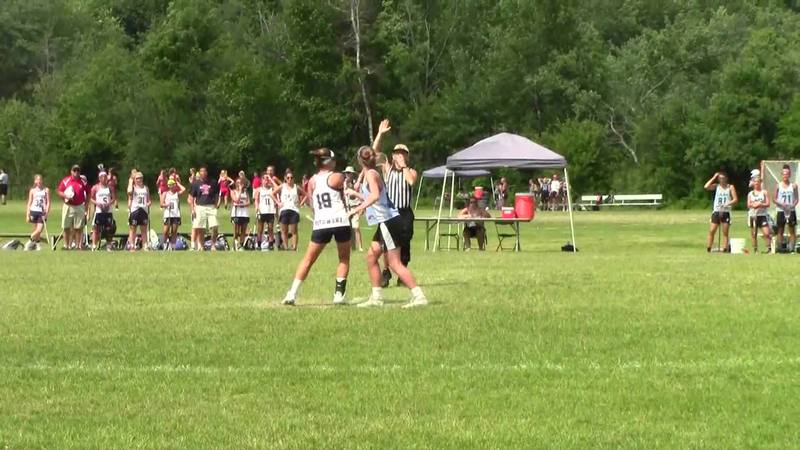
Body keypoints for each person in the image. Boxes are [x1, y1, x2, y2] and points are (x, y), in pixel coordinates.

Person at [348, 146, 428, 308]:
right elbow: (375, 197)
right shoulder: (373, 173)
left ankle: (419, 296)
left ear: (359, 161)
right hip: (387, 221)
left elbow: (375, 195)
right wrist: (357, 196)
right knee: (371, 257)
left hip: (389, 222)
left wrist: (356, 209)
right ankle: (377, 297)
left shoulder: (371, 174)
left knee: (394, 263)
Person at [282, 149, 351, 305]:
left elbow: (312, 204)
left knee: (308, 259)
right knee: (344, 258)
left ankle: (292, 293)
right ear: (329, 161)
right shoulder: (337, 177)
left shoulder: (312, 181)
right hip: (340, 220)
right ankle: (339, 295)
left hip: (321, 223)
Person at [57, 164, 90, 250]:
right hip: (68, 206)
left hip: (79, 206)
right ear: (71, 171)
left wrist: (86, 205)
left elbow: (88, 193)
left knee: (78, 227)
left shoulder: (83, 182)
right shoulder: (66, 180)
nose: (76, 172)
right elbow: (59, 191)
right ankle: (66, 245)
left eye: (78, 170)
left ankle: (78, 245)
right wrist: (66, 196)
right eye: (74, 170)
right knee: (66, 226)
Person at [188, 167, 221, 251]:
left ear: (207, 172)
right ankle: (201, 246)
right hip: (200, 206)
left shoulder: (213, 182)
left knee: (215, 226)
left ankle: (213, 245)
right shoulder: (195, 183)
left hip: (211, 207)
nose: (203, 173)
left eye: (204, 171)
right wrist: (193, 209)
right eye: (201, 171)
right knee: (200, 227)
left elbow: (217, 194)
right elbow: (191, 197)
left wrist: (216, 204)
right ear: (199, 173)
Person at [272, 171, 306, 251]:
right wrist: (278, 202)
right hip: (284, 210)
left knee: (294, 230)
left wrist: (301, 203)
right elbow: (272, 194)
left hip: (294, 210)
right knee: (284, 230)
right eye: (288, 178)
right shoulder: (282, 186)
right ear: (285, 178)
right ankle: (286, 247)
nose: (290, 179)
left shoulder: (296, 187)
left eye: (291, 178)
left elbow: (305, 195)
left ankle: (294, 247)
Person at [704, 172, 738, 252]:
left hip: (725, 211)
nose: (721, 180)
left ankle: (725, 248)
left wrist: (727, 204)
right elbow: (706, 186)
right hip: (716, 211)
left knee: (725, 232)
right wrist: (714, 177)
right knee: (712, 230)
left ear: (726, 178)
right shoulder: (717, 186)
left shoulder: (730, 187)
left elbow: (735, 199)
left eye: (723, 178)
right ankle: (709, 247)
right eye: (720, 178)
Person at [774, 165, 798, 252]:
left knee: (792, 230)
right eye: (784, 174)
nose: (785, 176)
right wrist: (782, 204)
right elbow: (774, 199)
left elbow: (796, 199)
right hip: (781, 210)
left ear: (789, 175)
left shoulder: (794, 186)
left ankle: (791, 249)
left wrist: (792, 205)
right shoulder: (778, 185)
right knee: (780, 230)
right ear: (781, 175)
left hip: (791, 210)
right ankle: (780, 248)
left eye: (787, 174)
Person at [90, 171, 116, 250]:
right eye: (102, 177)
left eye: (105, 177)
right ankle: (94, 245)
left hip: (108, 210)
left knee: (109, 228)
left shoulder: (110, 188)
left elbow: (113, 198)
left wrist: (108, 204)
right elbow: (91, 198)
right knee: (96, 228)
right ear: (99, 178)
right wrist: (97, 203)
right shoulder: (95, 187)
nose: (104, 178)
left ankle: (108, 245)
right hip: (99, 210)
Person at [24, 174, 50, 250]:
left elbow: (48, 202)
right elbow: (29, 202)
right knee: (36, 230)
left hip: (42, 212)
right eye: (37, 179)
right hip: (33, 211)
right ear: (35, 181)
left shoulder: (46, 190)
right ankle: (37, 245)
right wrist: (27, 214)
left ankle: (29, 241)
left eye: (40, 179)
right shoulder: (32, 190)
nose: (39, 181)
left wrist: (46, 212)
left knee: (39, 230)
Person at [127, 171, 151, 252]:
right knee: (133, 229)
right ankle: (132, 245)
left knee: (144, 229)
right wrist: (130, 181)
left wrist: (149, 203)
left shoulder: (145, 188)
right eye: (137, 178)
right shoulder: (133, 187)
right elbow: (129, 192)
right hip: (135, 210)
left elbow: (148, 199)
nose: (139, 180)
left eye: (140, 178)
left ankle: (145, 245)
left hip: (144, 210)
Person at [161, 178, 186, 249]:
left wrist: (178, 183)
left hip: (176, 214)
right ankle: (165, 245)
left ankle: (173, 246)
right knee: (166, 231)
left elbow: (184, 189)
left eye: (173, 185)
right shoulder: (165, 193)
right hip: (168, 214)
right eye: (170, 185)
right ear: (168, 185)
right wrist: (166, 205)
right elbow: (161, 204)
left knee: (174, 231)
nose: (171, 186)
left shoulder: (177, 194)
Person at [253, 173, 277, 250]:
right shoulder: (259, 190)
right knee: (260, 229)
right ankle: (259, 244)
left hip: (270, 211)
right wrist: (257, 207)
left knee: (270, 228)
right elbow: (256, 200)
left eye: (267, 179)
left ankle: (271, 244)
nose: (266, 181)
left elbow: (277, 187)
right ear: (262, 180)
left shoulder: (272, 189)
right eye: (264, 179)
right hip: (262, 211)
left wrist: (271, 179)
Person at [747, 176, 771, 253]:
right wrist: (753, 205)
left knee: (766, 233)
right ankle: (755, 249)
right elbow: (748, 204)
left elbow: (768, 204)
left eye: (758, 181)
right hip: (753, 215)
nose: (757, 183)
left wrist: (760, 204)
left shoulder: (764, 192)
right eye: (755, 181)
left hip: (762, 215)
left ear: (760, 183)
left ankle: (769, 248)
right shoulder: (750, 193)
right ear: (753, 183)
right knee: (754, 233)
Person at [343, 166, 364, 251]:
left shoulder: (356, 184)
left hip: (355, 207)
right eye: (346, 173)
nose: (347, 174)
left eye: (349, 173)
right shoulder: (343, 183)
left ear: (352, 174)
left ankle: (360, 247)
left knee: (356, 227)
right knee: (347, 228)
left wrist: (361, 209)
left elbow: (362, 196)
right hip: (347, 208)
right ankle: (351, 246)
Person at [230, 178, 251, 250]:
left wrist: (241, 205)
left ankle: (241, 245)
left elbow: (248, 202)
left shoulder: (246, 192)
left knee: (243, 231)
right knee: (236, 231)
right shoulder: (233, 191)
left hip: (244, 213)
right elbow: (236, 200)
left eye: (241, 183)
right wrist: (239, 191)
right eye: (238, 182)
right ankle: (234, 245)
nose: (240, 184)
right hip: (236, 214)